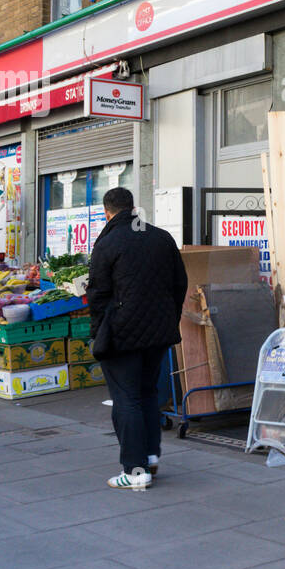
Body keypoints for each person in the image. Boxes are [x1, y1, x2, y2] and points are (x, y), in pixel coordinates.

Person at [87, 187, 187, 490]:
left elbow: (97, 294)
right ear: (132, 208)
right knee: (146, 393)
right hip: (158, 332)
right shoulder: (161, 237)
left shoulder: (107, 243)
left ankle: (134, 470)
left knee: (126, 397)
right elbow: (179, 282)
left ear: (107, 212)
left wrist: (100, 330)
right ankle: (151, 456)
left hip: (122, 332)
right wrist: (168, 315)